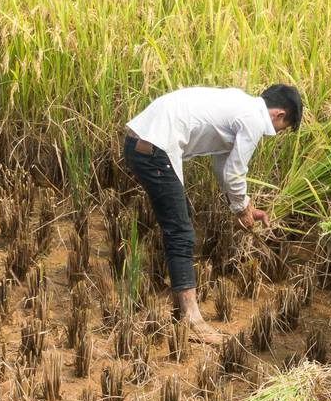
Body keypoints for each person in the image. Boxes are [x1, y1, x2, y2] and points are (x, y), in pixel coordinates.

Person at [122, 83, 304, 342]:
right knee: (181, 233)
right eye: (279, 129)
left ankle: (179, 303)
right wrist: (240, 209)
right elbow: (234, 172)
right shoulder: (254, 119)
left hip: (140, 144)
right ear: (279, 115)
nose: (273, 133)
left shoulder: (240, 104)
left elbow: (224, 166)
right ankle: (192, 319)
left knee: (179, 222)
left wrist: (245, 207)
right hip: (154, 149)